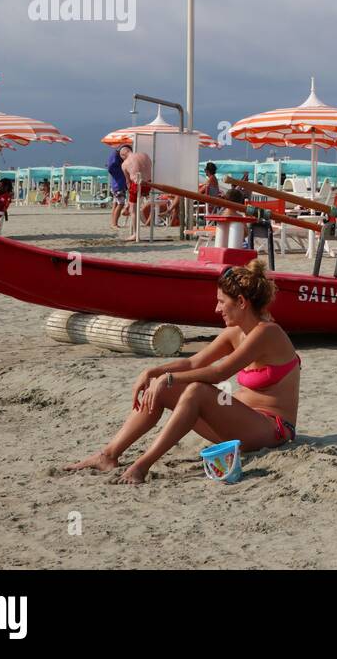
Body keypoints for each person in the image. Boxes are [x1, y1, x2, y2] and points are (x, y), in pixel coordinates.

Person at [65, 260, 299, 485]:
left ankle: (141, 466)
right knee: (165, 389)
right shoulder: (236, 332)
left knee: (195, 390)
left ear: (240, 301)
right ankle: (109, 454)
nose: (216, 308)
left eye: (221, 301)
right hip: (236, 426)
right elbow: (193, 363)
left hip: (272, 430)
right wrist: (153, 372)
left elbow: (218, 373)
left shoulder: (267, 332)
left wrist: (168, 379)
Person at [121, 147, 153, 228]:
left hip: (137, 185)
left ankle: (135, 234)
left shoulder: (125, 163)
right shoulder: (145, 155)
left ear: (123, 155)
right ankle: (127, 206)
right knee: (139, 199)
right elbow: (150, 166)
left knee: (133, 210)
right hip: (148, 183)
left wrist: (129, 197)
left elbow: (128, 182)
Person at [108, 145, 130, 227]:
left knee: (115, 204)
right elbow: (111, 168)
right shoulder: (117, 160)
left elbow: (110, 168)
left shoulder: (114, 157)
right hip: (119, 185)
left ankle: (113, 222)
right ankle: (115, 223)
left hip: (115, 185)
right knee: (120, 204)